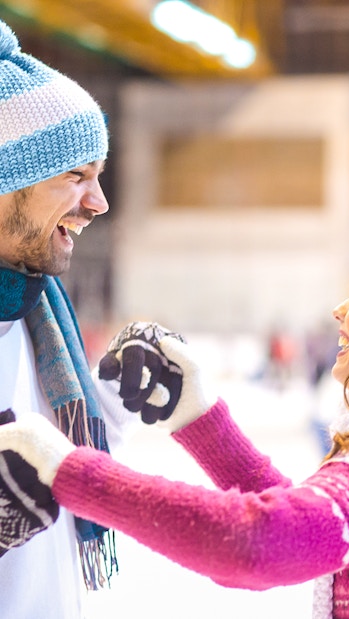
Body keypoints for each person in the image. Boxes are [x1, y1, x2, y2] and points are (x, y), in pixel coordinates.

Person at [3, 229, 349, 618]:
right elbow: (307, 523)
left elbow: (260, 542)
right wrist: (199, 417)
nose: (340, 309)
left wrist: (68, 469)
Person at [0, 18, 173, 619]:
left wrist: (116, 400)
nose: (99, 203)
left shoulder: (33, 305)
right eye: (75, 176)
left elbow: (60, 459)